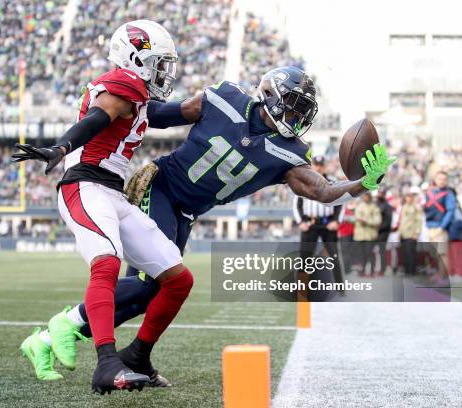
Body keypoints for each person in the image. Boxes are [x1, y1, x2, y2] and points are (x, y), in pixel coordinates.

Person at [40, 67, 396, 382]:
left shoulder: (290, 154)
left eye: (303, 110)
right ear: (270, 94)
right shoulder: (224, 98)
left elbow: (321, 190)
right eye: (292, 104)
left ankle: (103, 344)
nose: (296, 115)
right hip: (161, 188)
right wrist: (114, 114)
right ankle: (90, 333)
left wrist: (362, 186)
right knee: (155, 284)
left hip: (188, 212)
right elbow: (158, 115)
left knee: (160, 288)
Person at [13, 20, 194, 394]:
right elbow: (99, 117)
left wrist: (218, 103)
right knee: (107, 264)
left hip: (112, 191)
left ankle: (136, 355)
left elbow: (178, 112)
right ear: (135, 58)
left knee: (178, 279)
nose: (165, 71)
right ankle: (107, 364)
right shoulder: (122, 84)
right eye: (159, 63)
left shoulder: (141, 97)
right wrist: (60, 148)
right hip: (84, 184)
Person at [293, 155, 344, 291]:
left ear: (325, 166)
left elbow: (341, 203)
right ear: (312, 166)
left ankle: (340, 288)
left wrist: (336, 221)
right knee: (305, 257)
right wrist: (301, 222)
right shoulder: (303, 182)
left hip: (328, 224)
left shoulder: (333, 182)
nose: (318, 167)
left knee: (333, 256)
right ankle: (301, 287)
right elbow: (296, 204)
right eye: (316, 164)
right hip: (310, 224)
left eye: (321, 165)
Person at [424, 171, 456, 278]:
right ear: (435, 180)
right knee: (436, 254)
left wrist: (442, 227)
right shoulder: (430, 192)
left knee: (442, 253)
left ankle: (445, 277)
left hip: (441, 227)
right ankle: (440, 274)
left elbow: (450, 211)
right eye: (440, 179)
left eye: (444, 179)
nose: (442, 181)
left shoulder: (448, 194)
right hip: (430, 227)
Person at [354, 193, 382, 276]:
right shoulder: (359, 207)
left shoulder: (374, 207)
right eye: (364, 197)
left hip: (370, 235)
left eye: (367, 197)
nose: (365, 198)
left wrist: (367, 221)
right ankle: (362, 271)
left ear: (370, 198)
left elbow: (378, 221)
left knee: (370, 254)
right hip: (360, 235)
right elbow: (357, 218)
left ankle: (373, 271)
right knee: (361, 255)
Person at [399, 188, 424, 275]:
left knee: (411, 253)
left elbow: (419, 220)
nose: (408, 198)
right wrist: (400, 233)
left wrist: (417, 233)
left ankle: (412, 271)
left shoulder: (416, 207)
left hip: (411, 233)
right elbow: (402, 221)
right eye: (407, 197)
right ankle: (407, 271)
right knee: (405, 253)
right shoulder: (404, 206)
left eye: (410, 197)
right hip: (404, 234)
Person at [376, 187, 393, 275]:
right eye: (379, 192)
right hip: (374, 231)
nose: (380, 194)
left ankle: (382, 269)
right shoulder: (375, 204)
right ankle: (373, 269)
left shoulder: (388, 206)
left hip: (383, 232)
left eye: (382, 193)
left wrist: (380, 228)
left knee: (382, 251)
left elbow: (388, 221)